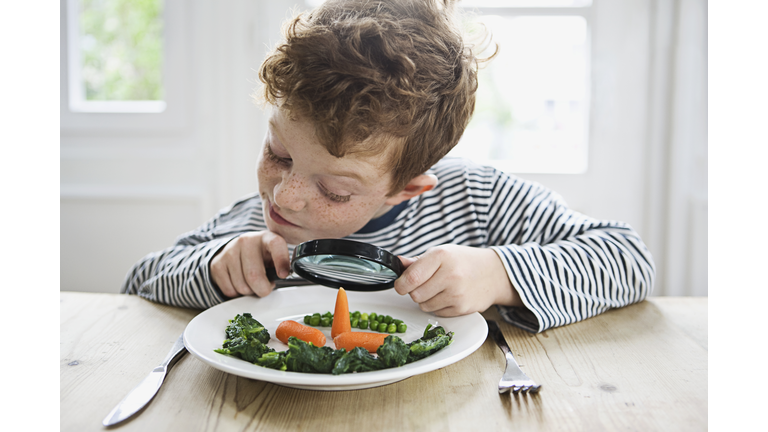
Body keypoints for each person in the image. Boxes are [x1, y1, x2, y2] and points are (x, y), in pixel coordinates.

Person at [122, 0, 654, 333]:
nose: (284, 196)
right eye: (277, 155)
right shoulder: (256, 229)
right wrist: (213, 268)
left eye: (333, 190)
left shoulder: (478, 201)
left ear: (407, 188)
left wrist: (498, 275)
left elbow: (629, 259)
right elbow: (139, 281)